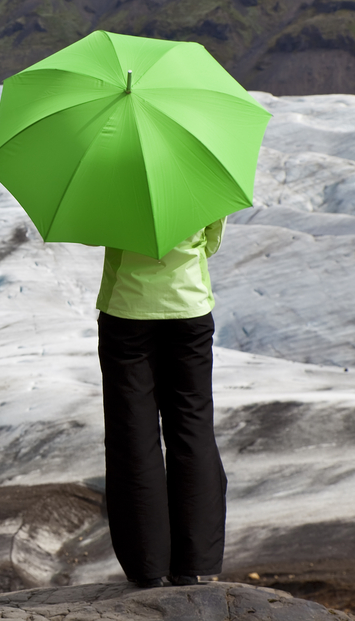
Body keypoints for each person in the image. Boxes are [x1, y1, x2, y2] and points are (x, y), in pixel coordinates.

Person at [96, 218, 228, 588]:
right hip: (190, 309)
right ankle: (193, 565)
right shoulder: (201, 169)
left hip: (127, 312)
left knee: (133, 437)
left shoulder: (112, 172)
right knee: (193, 430)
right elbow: (212, 242)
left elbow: (100, 232)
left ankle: (147, 568)